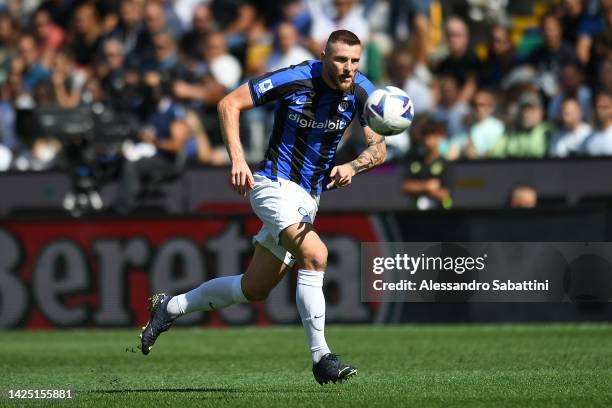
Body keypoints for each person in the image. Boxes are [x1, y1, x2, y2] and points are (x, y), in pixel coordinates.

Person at [140, 30, 386, 385]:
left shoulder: (363, 90)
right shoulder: (295, 78)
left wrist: (353, 165)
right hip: (273, 185)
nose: (348, 68)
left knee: (253, 288)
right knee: (316, 254)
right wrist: (238, 161)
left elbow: (378, 149)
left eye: (354, 61)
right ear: (324, 56)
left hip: (309, 199)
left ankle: (170, 307)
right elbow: (228, 103)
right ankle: (322, 358)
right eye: (340, 60)